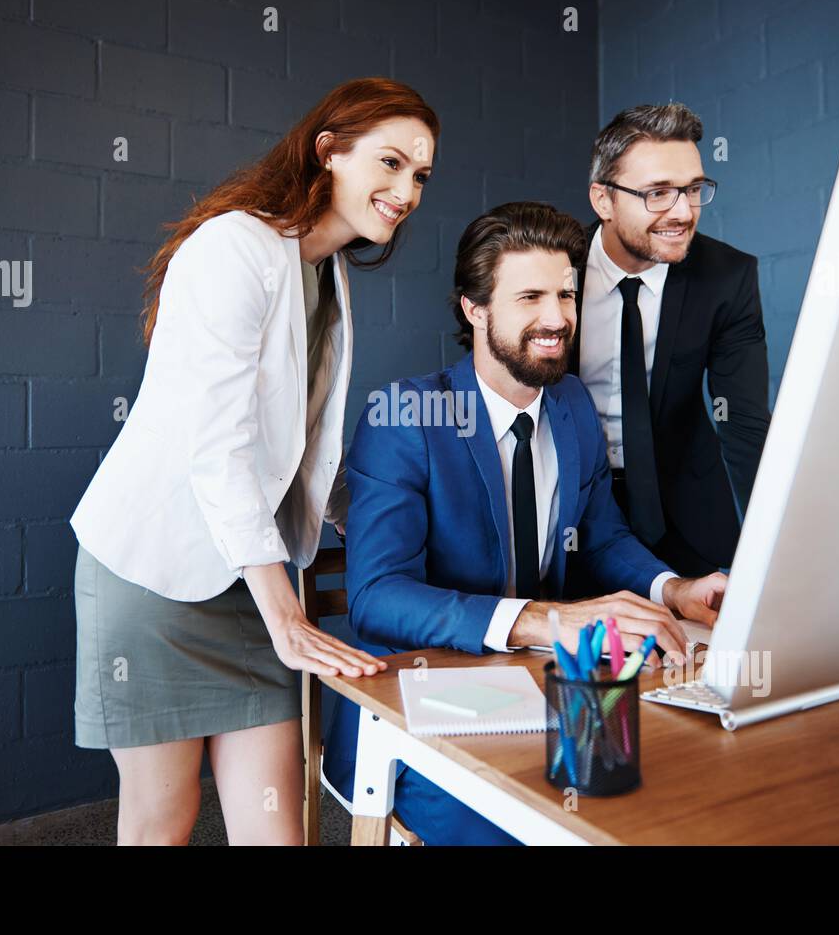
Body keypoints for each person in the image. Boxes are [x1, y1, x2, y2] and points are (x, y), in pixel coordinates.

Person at [68, 78, 439, 845]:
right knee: (161, 823)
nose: (406, 191)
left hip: (256, 582)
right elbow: (221, 445)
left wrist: (390, 520)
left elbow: (300, 453)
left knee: (279, 829)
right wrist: (286, 614)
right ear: (327, 151)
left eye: (421, 176)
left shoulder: (328, 275)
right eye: (392, 162)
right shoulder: (235, 246)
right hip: (156, 573)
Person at [323, 201, 727, 845]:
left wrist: (673, 590)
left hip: (549, 685)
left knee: (666, 793)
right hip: (424, 696)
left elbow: (602, 537)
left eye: (566, 294)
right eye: (530, 296)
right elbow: (378, 598)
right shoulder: (406, 415)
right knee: (521, 830)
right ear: (474, 309)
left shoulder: (569, 403)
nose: (555, 317)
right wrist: (543, 618)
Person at [569, 103, 771, 581]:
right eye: (658, 193)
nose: (683, 212)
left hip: (683, 517)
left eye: (694, 189)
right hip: (569, 512)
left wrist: (773, 544)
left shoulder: (727, 277)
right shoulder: (554, 266)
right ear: (603, 200)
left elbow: (744, 424)